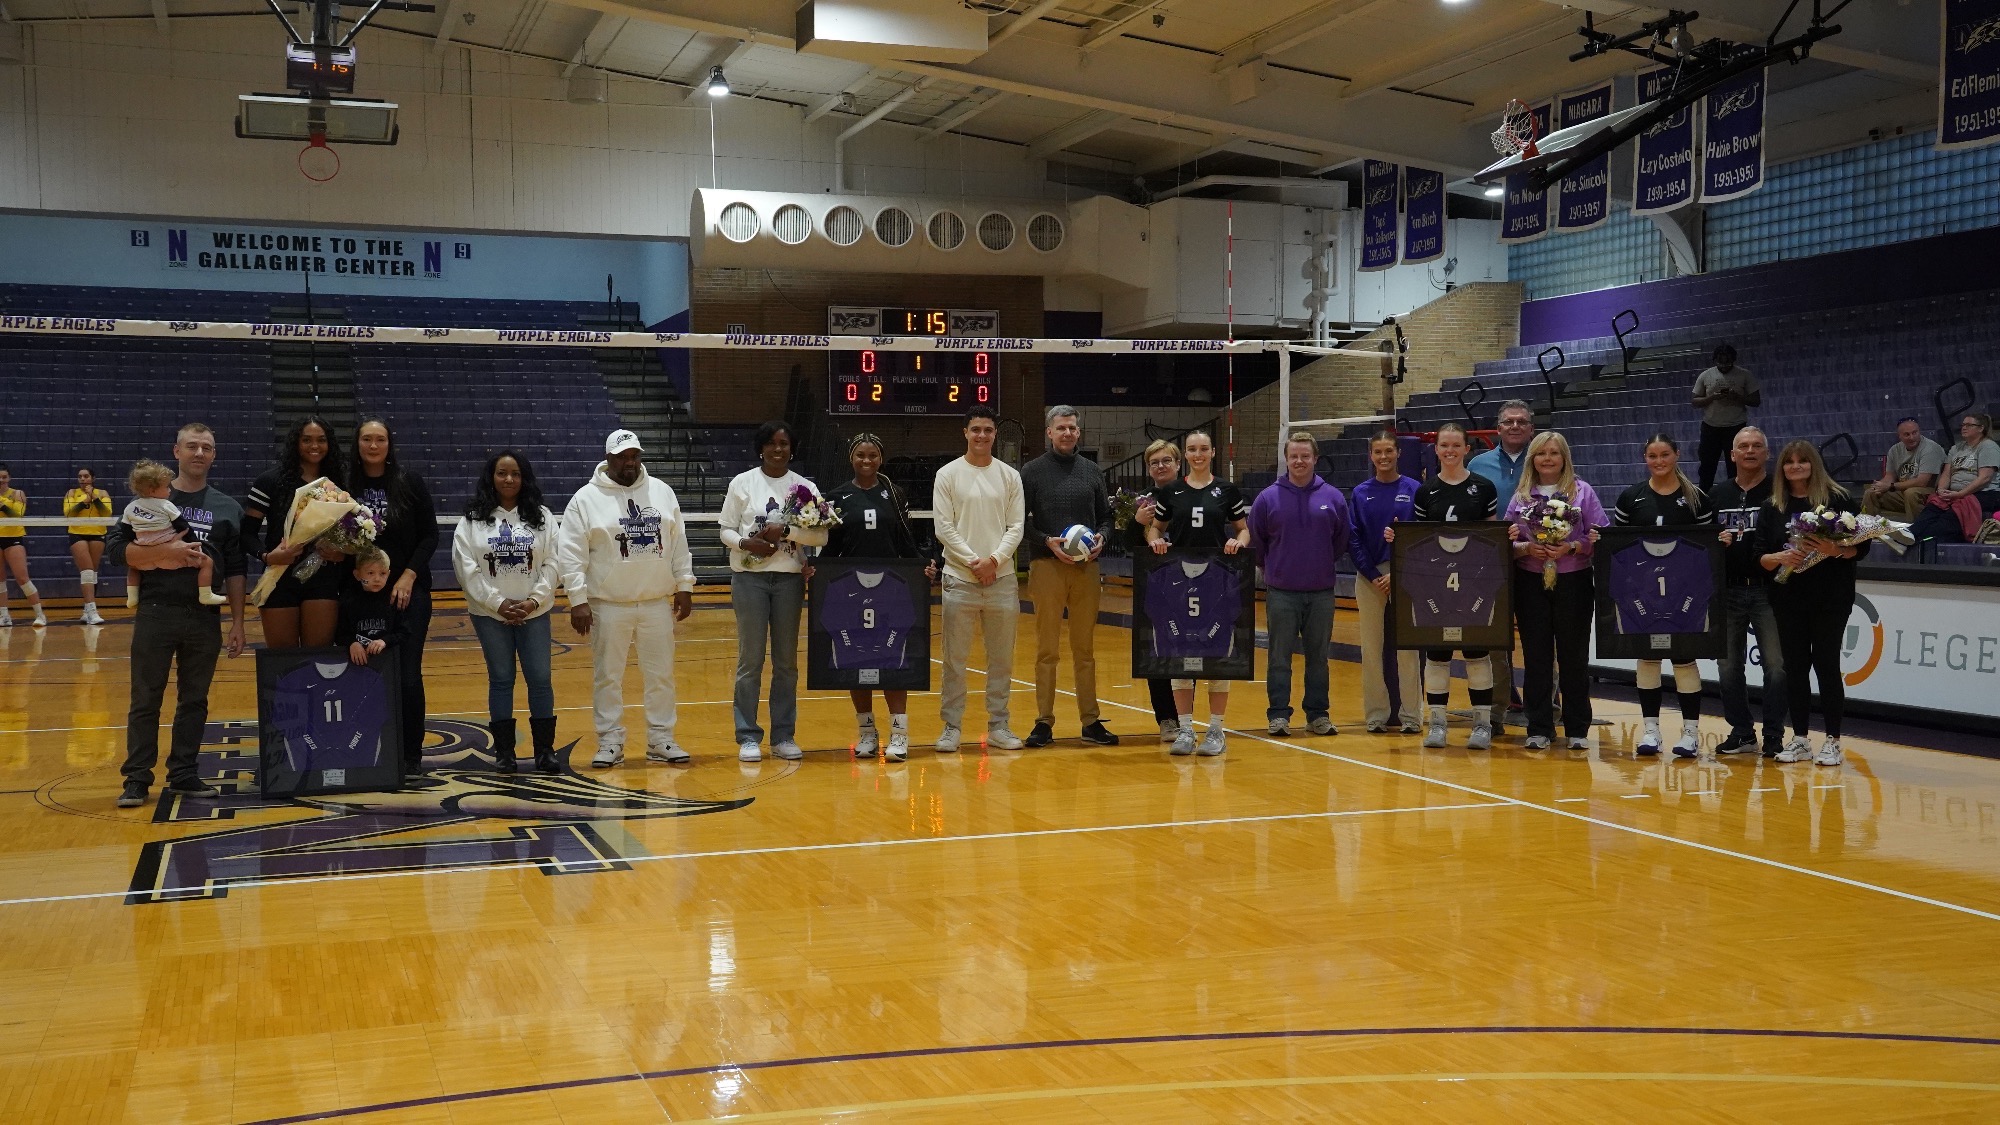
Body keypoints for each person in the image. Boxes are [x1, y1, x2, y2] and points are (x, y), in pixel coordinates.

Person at [108, 423, 246, 808]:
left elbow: (235, 570)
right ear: (176, 452)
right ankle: (137, 778)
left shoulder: (226, 507)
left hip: (204, 617)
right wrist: (161, 556)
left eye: (206, 447)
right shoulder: (144, 502)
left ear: (214, 455)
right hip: (156, 612)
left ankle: (183, 773)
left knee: (195, 700)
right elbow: (116, 550)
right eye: (192, 446)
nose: (199, 453)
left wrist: (237, 621)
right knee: (145, 698)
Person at [559, 429, 696, 767]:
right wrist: (577, 599)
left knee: (661, 674)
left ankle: (661, 739)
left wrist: (685, 585)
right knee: (607, 676)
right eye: (622, 456)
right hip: (607, 603)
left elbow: (678, 542)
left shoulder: (661, 492)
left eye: (634, 455)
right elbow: (571, 554)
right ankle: (610, 742)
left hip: (654, 601)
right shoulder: (585, 499)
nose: (630, 462)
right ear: (609, 460)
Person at [718, 421, 829, 762]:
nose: (777, 449)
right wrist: (745, 542)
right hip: (749, 581)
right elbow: (724, 529)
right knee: (750, 661)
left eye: (783, 444)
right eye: (771, 443)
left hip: (788, 582)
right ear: (761, 448)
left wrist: (789, 532)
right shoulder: (743, 483)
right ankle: (748, 736)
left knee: (785, 663)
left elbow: (821, 536)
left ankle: (783, 736)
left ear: (792, 449)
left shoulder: (805, 488)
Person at [1757, 441, 1869, 766]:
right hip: (1788, 598)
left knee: (1826, 666)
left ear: (1813, 464)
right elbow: (1759, 557)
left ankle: (1833, 741)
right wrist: (1779, 556)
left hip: (1830, 598)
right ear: (1782, 468)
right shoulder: (1772, 506)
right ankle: (1801, 739)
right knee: (1795, 669)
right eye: (1789, 462)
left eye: (1802, 461)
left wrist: (1838, 551)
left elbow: (1862, 546)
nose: (1795, 466)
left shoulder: (1839, 499)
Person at [822, 433, 932, 763]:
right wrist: (819, 572)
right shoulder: (837, 497)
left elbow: (905, 542)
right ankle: (867, 734)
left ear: (881, 458)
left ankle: (899, 734)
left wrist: (921, 567)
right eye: (860, 455)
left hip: (891, 589)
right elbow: (831, 548)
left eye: (872, 455)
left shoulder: (894, 495)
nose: (866, 460)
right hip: (852, 590)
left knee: (891, 660)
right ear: (850, 458)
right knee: (858, 660)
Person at [1142, 430, 1250, 756]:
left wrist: (1238, 542)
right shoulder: (1172, 491)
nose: (1198, 454)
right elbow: (1154, 528)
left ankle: (1216, 729)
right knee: (1182, 656)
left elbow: (1243, 530)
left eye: (1203, 448)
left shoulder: (1227, 491)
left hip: (1217, 581)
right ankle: (1185, 728)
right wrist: (1154, 541)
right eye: (1192, 449)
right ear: (1185, 456)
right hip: (1180, 579)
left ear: (1213, 452)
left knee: (1217, 657)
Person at [454, 450, 561, 775]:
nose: (509, 479)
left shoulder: (542, 516)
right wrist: (497, 603)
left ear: (524, 477)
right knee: (501, 680)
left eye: (515, 473)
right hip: (490, 616)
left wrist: (533, 601)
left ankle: (544, 752)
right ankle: (505, 754)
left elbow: (553, 563)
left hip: (534, 613)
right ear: (492, 477)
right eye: (502, 473)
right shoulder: (472, 519)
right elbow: (465, 567)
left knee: (540, 680)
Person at [1397, 422, 1502, 750]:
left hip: (1473, 584)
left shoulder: (1484, 488)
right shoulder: (1426, 491)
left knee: (1476, 652)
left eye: (1456, 445)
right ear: (1437, 450)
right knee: (1438, 654)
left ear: (1467, 449)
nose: (1450, 451)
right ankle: (1438, 723)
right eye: (1444, 446)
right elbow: (1420, 539)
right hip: (1437, 585)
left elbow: (1491, 536)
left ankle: (1482, 724)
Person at [1020, 406, 1118, 749]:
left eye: (1072, 428)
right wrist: (1047, 541)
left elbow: (1107, 517)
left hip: (1085, 568)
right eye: (1060, 428)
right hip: (1047, 566)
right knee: (1047, 649)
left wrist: (1103, 538)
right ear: (1049, 432)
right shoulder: (1031, 472)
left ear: (1078, 433)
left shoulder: (1092, 471)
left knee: (1084, 649)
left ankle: (1090, 721)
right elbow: (1020, 524)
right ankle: (1043, 722)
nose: (1067, 433)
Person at [1502, 432, 1607, 750]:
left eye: (1554, 453)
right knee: (1536, 657)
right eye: (1541, 453)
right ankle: (1538, 727)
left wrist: (1572, 546)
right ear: (1532, 459)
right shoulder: (1521, 496)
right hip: (1531, 583)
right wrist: (1526, 549)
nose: (1547, 459)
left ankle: (1577, 728)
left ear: (1564, 458)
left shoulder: (1582, 492)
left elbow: (1600, 535)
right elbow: (1505, 541)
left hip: (1573, 582)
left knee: (1573, 657)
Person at [1613, 433, 1715, 758]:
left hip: (1684, 594)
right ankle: (1651, 731)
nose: (1659, 462)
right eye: (1652, 456)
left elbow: (1708, 547)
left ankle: (1690, 734)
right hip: (1644, 593)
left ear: (1677, 454)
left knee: (1684, 658)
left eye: (1665, 455)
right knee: (1648, 657)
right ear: (1645, 458)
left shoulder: (1696, 498)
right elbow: (1619, 548)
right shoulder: (1631, 498)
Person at [932, 405, 1026, 753]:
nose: (982, 436)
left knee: (1001, 659)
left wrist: (995, 561)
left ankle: (999, 725)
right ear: (966, 433)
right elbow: (944, 528)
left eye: (988, 430)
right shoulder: (948, 475)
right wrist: (975, 562)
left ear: (995, 434)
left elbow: (1016, 526)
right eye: (976, 430)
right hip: (960, 578)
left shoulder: (1009, 476)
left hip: (1001, 582)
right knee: (954, 660)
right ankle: (951, 727)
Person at [350, 417, 439, 775]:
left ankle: (410, 754)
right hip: (361, 594)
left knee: (406, 674)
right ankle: (365, 747)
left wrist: (408, 576)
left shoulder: (408, 482)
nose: (373, 446)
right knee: (362, 671)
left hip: (407, 591)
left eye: (380, 439)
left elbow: (430, 535)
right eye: (367, 439)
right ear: (357, 444)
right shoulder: (345, 485)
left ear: (390, 444)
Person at [1248, 431, 1350, 738]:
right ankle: (1278, 715)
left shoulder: (1333, 497)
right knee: (1279, 658)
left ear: (1315, 459)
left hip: (1320, 592)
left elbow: (1341, 540)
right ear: (1286, 458)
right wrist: (1276, 569)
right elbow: (1257, 542)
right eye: (1294, 456)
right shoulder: (1267, 498)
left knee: (1318, 659)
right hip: (1282, 592)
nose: (1299, 461)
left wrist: (1317, 564)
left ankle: (1317, 714)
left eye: (1305, 456)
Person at [1710, 427, 1788, 757]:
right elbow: (1700, 542)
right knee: (1728, 669)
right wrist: (1715, 542)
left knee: (1776, 666)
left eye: (1757, 445)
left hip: (1768, 591)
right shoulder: (1716, 494)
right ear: (1732, 455)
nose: (1750, 451)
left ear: (1767, 454)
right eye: (1743, 446)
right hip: (1727, 591)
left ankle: (1773, 734)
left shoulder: (1779, 493)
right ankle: (1741, 731)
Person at [243, 416, 347, 649]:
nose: (314, 446)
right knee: (283, 662)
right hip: (279, 577)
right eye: (306, 440)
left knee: (318, 657)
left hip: (323, 579)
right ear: (295, 443)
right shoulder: (269, 481)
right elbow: (247, 534)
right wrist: (268, 557)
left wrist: (342, 553)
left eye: (321, 440)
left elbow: (350, 532)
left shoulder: (339, 483)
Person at [1348, 431, 1422, 735]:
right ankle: (1376, 715)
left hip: (1406, 575)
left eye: (1388, 451)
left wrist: (1400, 571)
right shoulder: (1360, 492)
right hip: (1370, 577)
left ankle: (1412, 716)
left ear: (1398, 453)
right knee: (1371, 648)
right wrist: (1374, 574)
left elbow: (1421, 536)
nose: (1383, 457)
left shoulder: (1415, 489)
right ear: (1371, 456)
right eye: (1378, 452)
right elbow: (1353, 539)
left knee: (1408, 649)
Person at [1468, 399, 1534, 728]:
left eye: (1521, 421)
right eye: (1509, 421)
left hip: (1536, 562)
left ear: (1531, 427)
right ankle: (1497, 709)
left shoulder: (1544, 460)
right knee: (1495, 639)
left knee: (1538, 637)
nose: (1515, 426)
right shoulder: (1478, 464)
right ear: (1498, 428)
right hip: (1491, 564)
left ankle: (1545, 706)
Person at [120, 460, 226, 608]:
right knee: (207, 562)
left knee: (133, 567)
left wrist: (137, 543)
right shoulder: (166, 505)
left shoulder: (131, 507)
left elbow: (125, 531)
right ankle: (205, 595)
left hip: (145, 558)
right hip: (171, 556)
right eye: (166, 487)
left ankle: (132, 598)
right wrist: (195, 546)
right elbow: (183, 526)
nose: (170, 490)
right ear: (152, 490)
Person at [1137, 440, 1186, 741]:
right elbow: (1128, 544)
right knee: (1156, 654)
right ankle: (1166, 719)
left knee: (1188, 652)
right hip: (1155, 586)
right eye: (1154, 462)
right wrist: (1136, 523)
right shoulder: (1142, 502)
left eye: (1166, 460)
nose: (1160, 466)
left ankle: (1187, 717)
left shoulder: (1192, 495)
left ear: (1178, 464)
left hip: (1189, 584)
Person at [1908, 413, 2000, 546]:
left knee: (1955, 511)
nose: (1964, 427)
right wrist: (1941, 490)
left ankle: (1922, 540)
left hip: (1985, 493)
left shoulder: (1988, 446)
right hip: (1956, 492)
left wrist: (1961, 494)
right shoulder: (1956, 448)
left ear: (1981, 428)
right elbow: (1946, 474)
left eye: (1969, 425)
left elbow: (1984, 478)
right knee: (1935, 504)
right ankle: (1909, 534)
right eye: (1963, 425)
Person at [1690, 344, 1760, 492]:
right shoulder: (1705, 375)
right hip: (1711, 426)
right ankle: (1704, 496)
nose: (1723, 366)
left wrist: (1737, 397)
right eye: (1720, 363)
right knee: (1707, 466)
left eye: (1727, 363)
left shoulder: (1744, 374)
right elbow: (1695, 401)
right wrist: (1712, 398)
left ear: (1733, 360)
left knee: (1735, 466)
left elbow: (1756, 400)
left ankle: (1735, 495)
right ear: (1715, 360)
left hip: (1736, 426)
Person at [1861, 417, 1944, 519]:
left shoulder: (1930, 448)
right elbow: (1890, 476)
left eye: (1915, 433)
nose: (1912, 437)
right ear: (1899, 436)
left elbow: (1922, 482)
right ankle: (1869, 530)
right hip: (1902, 490)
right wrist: (1880, 486)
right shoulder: (1894, 450)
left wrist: (1891, 486)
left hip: (1928, 491)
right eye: (1907, 434)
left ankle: (1915, 531)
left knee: (1911, 493)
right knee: (1871, 492)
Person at [337, 547, 407, 666]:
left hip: (386, 663)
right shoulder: (349, 602)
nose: (377, 579)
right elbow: (340, 634)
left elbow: (404, 632)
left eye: (382, 573)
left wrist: (385, 641)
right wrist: (352, 643)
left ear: (388, 574)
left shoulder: (392, 601)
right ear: (357, 575)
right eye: (370, 573)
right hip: (356, 663)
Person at [0, 463, 48, 628]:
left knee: (22, 578)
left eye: (4, 477)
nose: (1, 480)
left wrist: (2, 504)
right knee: (0, 580)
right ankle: (4, 616)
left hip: (13, 537)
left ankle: (40, 614)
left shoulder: (17, 494)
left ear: (9, 478)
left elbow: (17, 515)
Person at [64, 467, 113, 625]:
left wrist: (94, 498)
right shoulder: (71, 493)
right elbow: (68, 513)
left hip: (97, 533)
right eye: (80, 476)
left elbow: (107, 514)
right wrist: (85, 501)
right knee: (86, 571)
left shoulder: (103, 493)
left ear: (93, 478)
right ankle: (92, 611)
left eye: (86, 476)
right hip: (77, 532)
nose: (83, 479)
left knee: (93, 573)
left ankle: (86, 610)